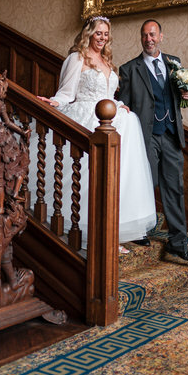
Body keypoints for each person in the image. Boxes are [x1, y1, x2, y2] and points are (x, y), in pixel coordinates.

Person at [36, 16, 157, 254]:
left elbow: (108, 92)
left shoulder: (107, 61)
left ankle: (113, 233)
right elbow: (66, 93)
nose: (102, 38)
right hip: (87, 118)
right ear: (89, 34)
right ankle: (89, 232)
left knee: (117, 177)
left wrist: (118, 104)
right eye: (98, 33)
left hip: (115, 121)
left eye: (105, 34)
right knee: (89, 177)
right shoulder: (76, 58)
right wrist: (54, 102)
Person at [118, 19, 188, 262]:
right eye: (144, 35)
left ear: (160, 36)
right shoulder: (129, 69)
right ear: (141, 38)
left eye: (153, 34)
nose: (149, 39)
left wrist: (187, 94)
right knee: (144, 183)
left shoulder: (175, 64)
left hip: (172, 134)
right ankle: (137, 230)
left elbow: (179, 98)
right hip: (145, 136)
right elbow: (123, 106)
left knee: (175, 188)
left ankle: (178, 243)